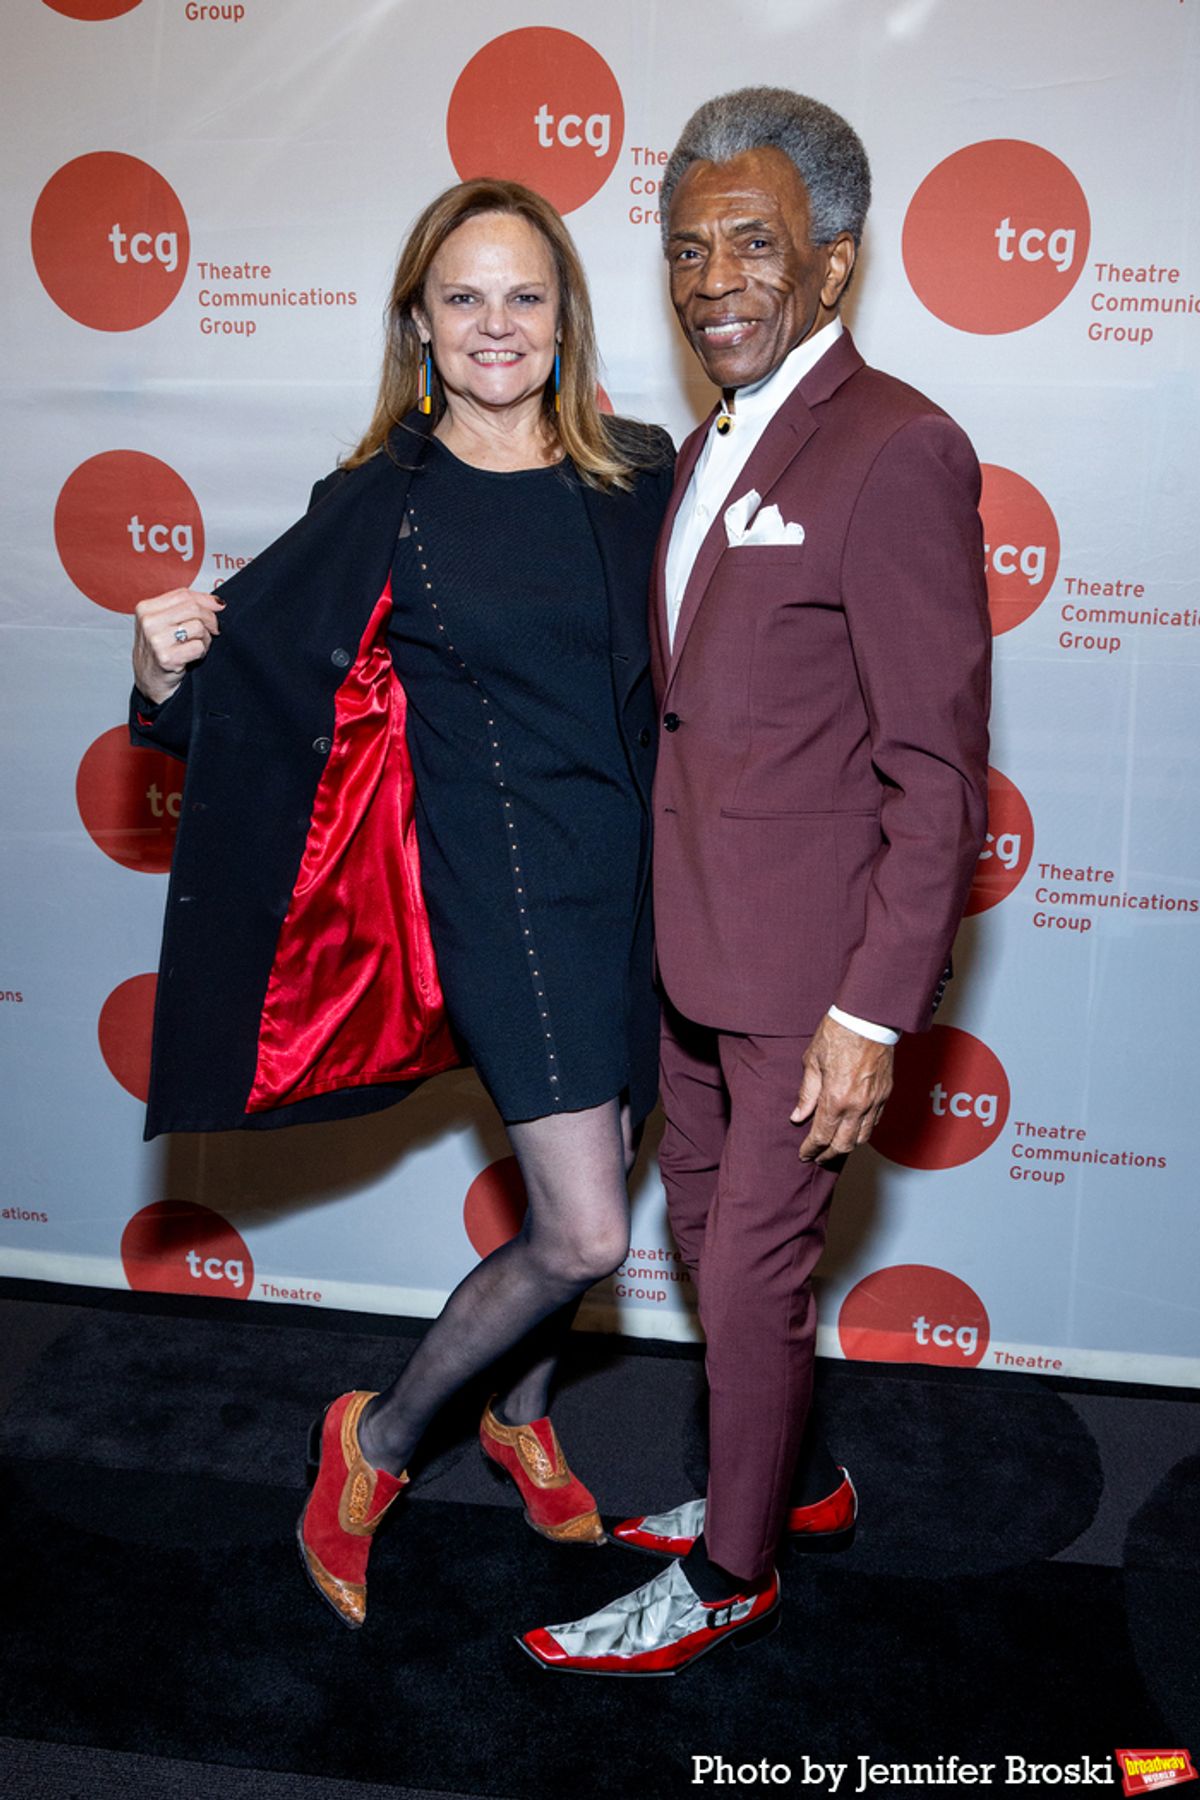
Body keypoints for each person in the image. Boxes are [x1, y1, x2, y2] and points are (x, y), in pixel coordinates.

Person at [129, 178, 674, 1630]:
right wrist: (168, 677)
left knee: (609, 1180)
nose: (496, 325)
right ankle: (374, 1442)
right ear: (419, 328)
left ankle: (525, 1415)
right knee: (586, 1238)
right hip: (504, 906)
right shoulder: (384, 500)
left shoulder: (640, 468)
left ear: (564, 319)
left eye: (524, 295)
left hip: (646, 898)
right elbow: (261, 703)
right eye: (462, 298)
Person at [519, 87, 991, 1676]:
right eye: (687, 247)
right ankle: (792, 1483)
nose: (712, 278)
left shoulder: (899, 445)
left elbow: (934, 772)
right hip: (691, 954)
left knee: (748, 1267)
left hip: (809, 980)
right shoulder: (707, 440)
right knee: (723, 1245)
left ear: (835, 266)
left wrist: (874, 1008)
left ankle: (732, 1577)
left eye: (754, 245)